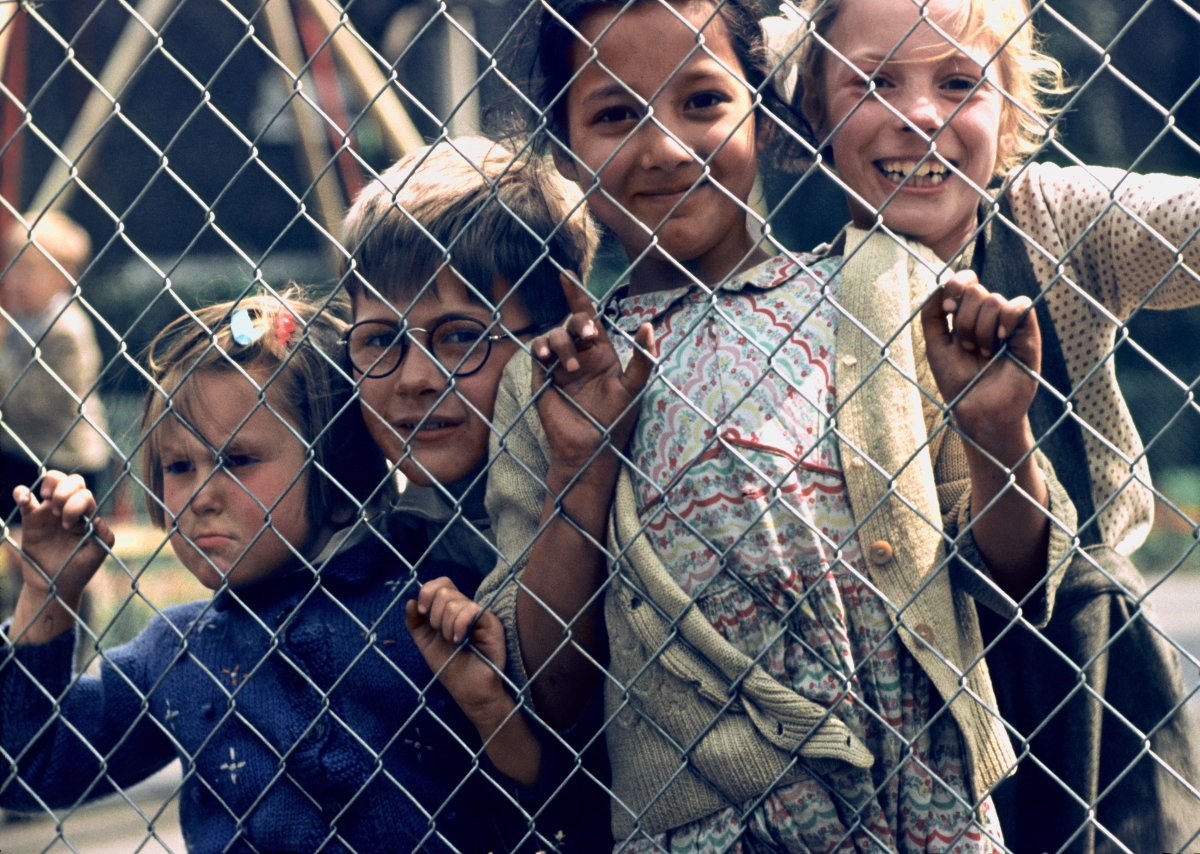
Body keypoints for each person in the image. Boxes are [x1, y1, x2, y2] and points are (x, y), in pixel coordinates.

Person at [477, 0, 1076, 848]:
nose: (665, 147)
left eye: (703, 102)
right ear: (565, 144)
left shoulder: (883, 294)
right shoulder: (550, 383)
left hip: (922, 808)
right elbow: (553, 689)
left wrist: (997, 438)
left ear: (765, 112)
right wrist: (581, 466)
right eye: (615, 115)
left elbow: (1017, 584)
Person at [779, 0, 1200, 848]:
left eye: (959, 81)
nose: (920, 114)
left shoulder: (1053, 222)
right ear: (817, 114)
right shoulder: (797, 303)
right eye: (875, 81)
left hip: (1086, 663)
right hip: (901, 689)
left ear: (1010, 110)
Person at [0, 292, 527, 853]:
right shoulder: (177, 652)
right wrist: (46, 590)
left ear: (337, 464)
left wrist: (490, 705)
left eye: (237, 460)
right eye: (179, 466)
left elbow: (545, 790)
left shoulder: (433, 606)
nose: (200, 495)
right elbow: (29, 765)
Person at [339, 136, 612, 850]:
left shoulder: (611, 498)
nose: (414, 378)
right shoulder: (392, 535)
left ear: (553, 335)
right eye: (379, 339)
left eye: (461, 337)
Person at [0, 211, 110, 521]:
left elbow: (31, 404)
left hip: (64, 458)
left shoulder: (66, 330)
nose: (14, 279)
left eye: (28, 269)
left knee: (56, 549)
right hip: (23, 450)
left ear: (64, 275)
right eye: (13, 266)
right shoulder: (22, 318)